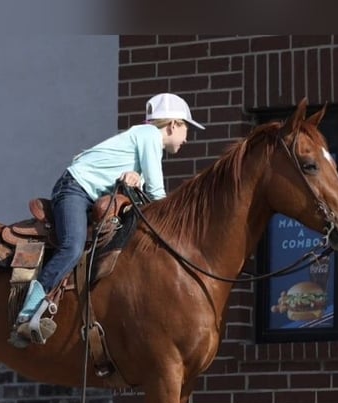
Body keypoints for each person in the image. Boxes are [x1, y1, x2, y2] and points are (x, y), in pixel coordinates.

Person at [14, 93, 205, 343]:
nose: (187, 138)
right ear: (173, 125)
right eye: (186, 128)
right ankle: (27, 309)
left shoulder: (139, 139)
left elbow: (143, 190)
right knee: (72, 246)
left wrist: (135, 178)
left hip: (86, 193)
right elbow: (157, 196)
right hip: (75, 188)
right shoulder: (149, 136)